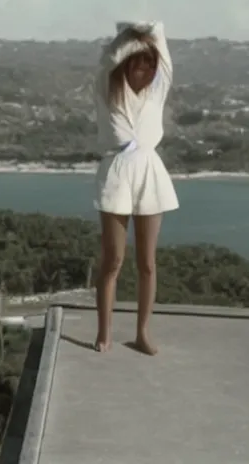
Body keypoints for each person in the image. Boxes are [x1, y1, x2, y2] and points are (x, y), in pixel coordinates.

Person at [92, 20, 179, 355]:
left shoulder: (157, 93)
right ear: (127, 65)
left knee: (147, 262)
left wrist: (148, 33)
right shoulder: (107, 90)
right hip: (116, 172)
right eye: (138, 64)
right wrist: (130, 37)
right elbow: (107, 60)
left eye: (149, 65)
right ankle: (105, 333)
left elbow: (163, 45)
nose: (145, 71)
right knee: (113, 259)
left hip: (149, 172)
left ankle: (143, 332)